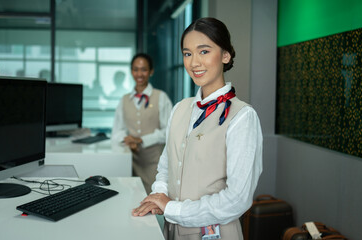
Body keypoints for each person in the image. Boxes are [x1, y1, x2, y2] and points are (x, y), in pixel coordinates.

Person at [131, 17, 263, 240]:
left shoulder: (242, 117)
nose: (194, 63)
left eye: (204, 51)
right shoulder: (180, 108)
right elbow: (166, 167)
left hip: (215, 233)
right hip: (171, 230)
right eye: (187, 53)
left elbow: (237, 199)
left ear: (225, 55)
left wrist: (172, 209)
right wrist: (158, 196)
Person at [111, 53, 173, 194]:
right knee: (131, 201)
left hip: (154, 164)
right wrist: (127, 139)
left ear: (151, 71)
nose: (139, 74)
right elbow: (117, 131)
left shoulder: (161, 97)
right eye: (135, 69)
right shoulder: (124, 100)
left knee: (153, 201)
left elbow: (168, 131)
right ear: (131, 71)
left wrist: (141, 140)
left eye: (144, 69)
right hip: (130, 163)